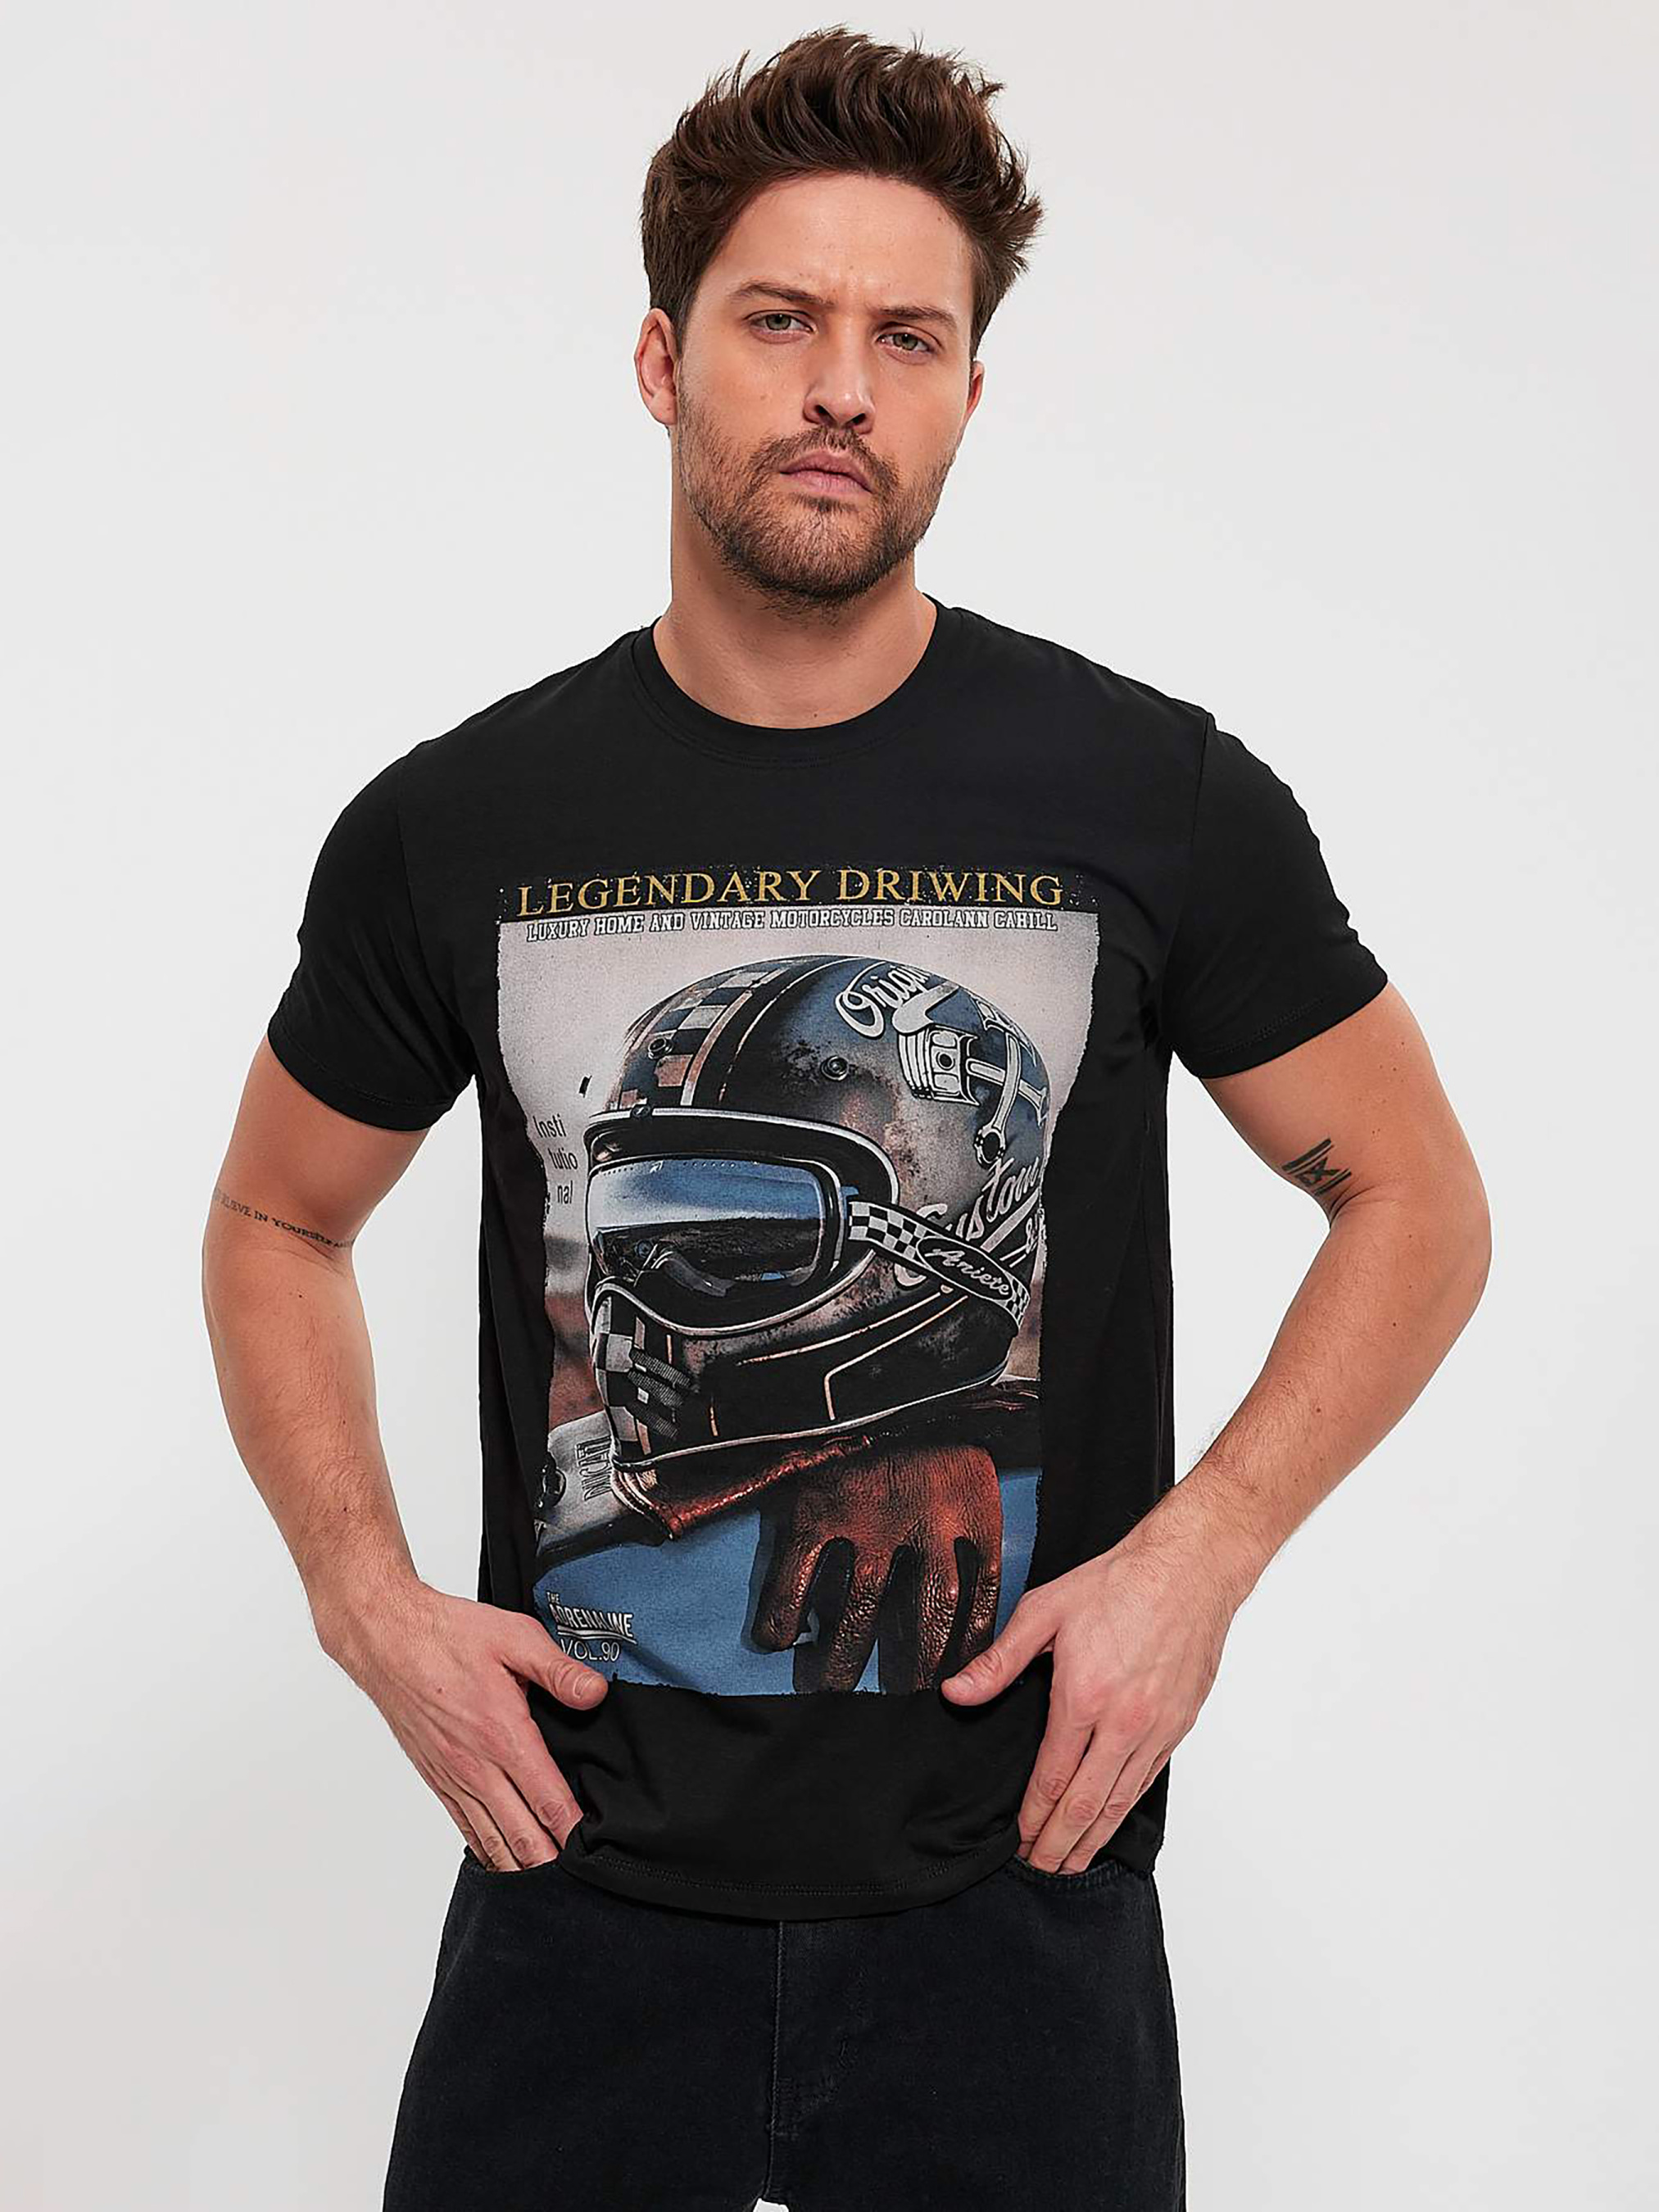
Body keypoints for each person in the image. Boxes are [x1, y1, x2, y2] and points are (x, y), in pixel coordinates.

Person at [201, 26, 1491, 2212]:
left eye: (906, 336)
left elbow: (1416, 1196)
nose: (839, 388)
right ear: (661, 360)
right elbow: (272, 1218)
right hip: (574, 1885)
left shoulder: (1152, 796)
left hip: (1017, 1897)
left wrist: (1203, 1553)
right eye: (777, 319)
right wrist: (359, 1593)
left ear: (970, 391)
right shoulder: (464, 821)